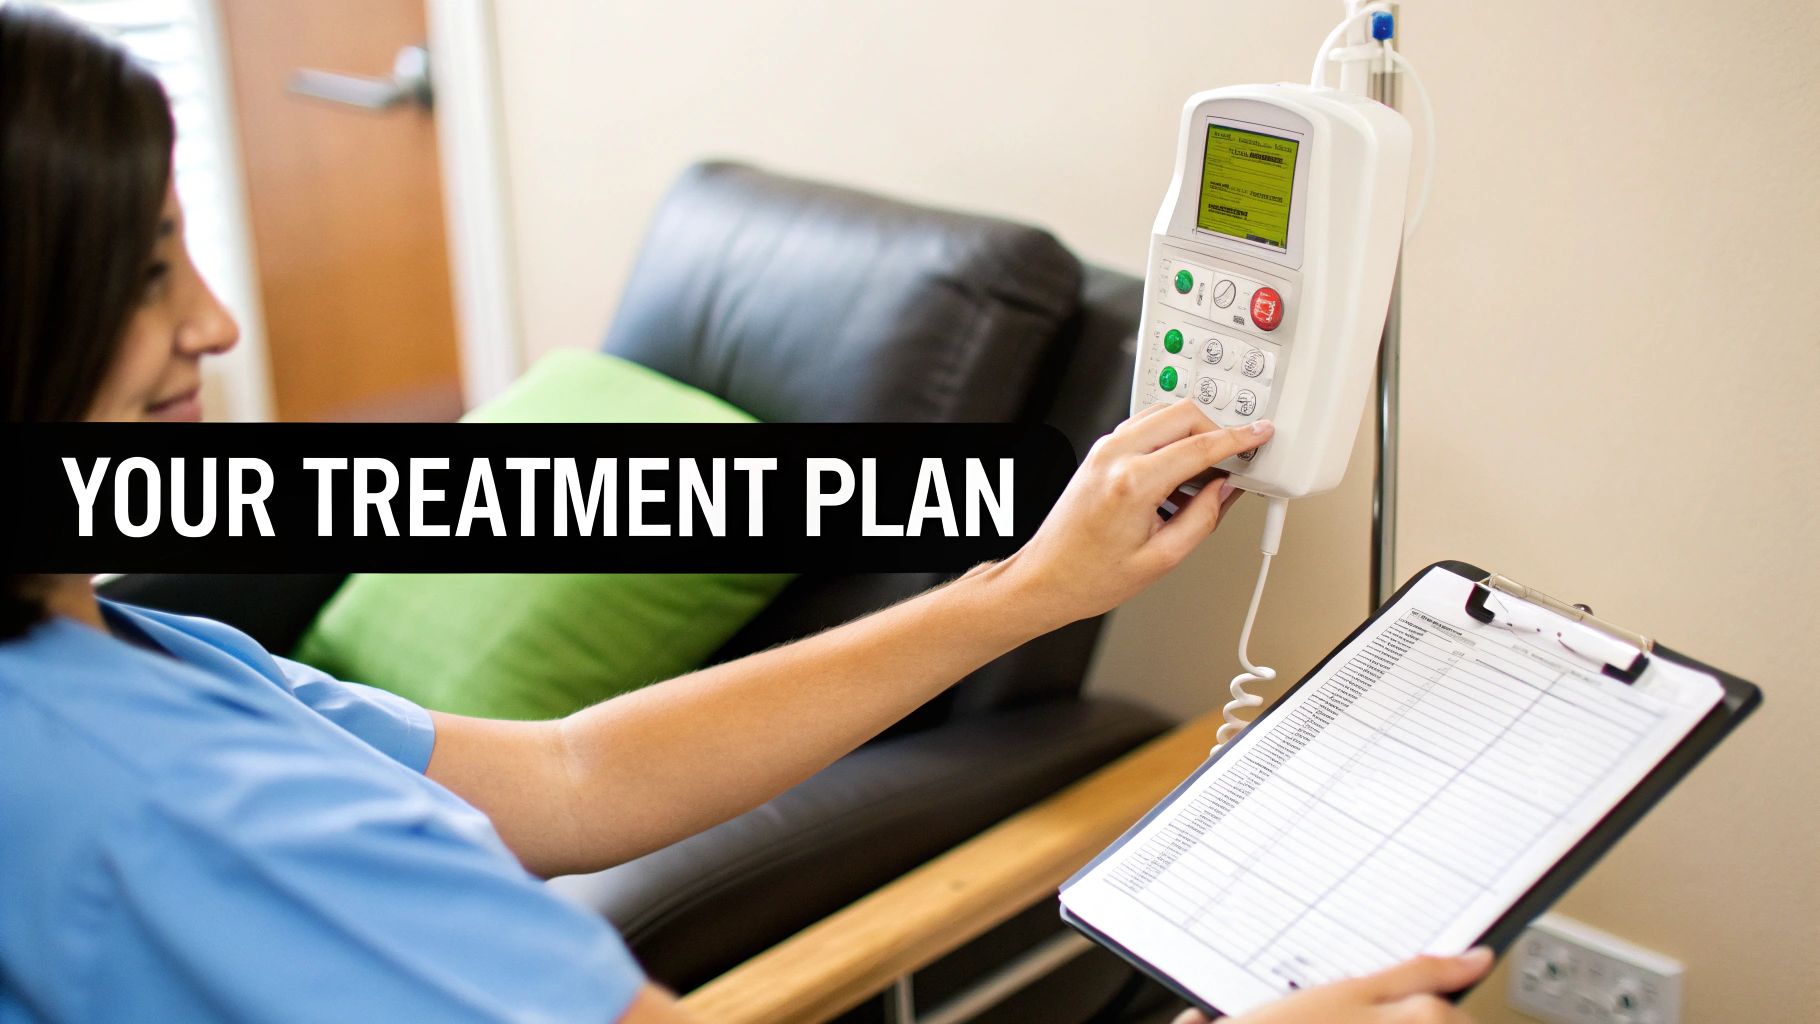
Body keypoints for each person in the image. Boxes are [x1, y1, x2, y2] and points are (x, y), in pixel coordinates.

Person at [0, 7, 1489, 1022]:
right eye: (144, 274)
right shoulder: (182, 816)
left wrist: (1025, 590)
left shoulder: (123, 650)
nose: (211, 324)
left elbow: (573, 779)